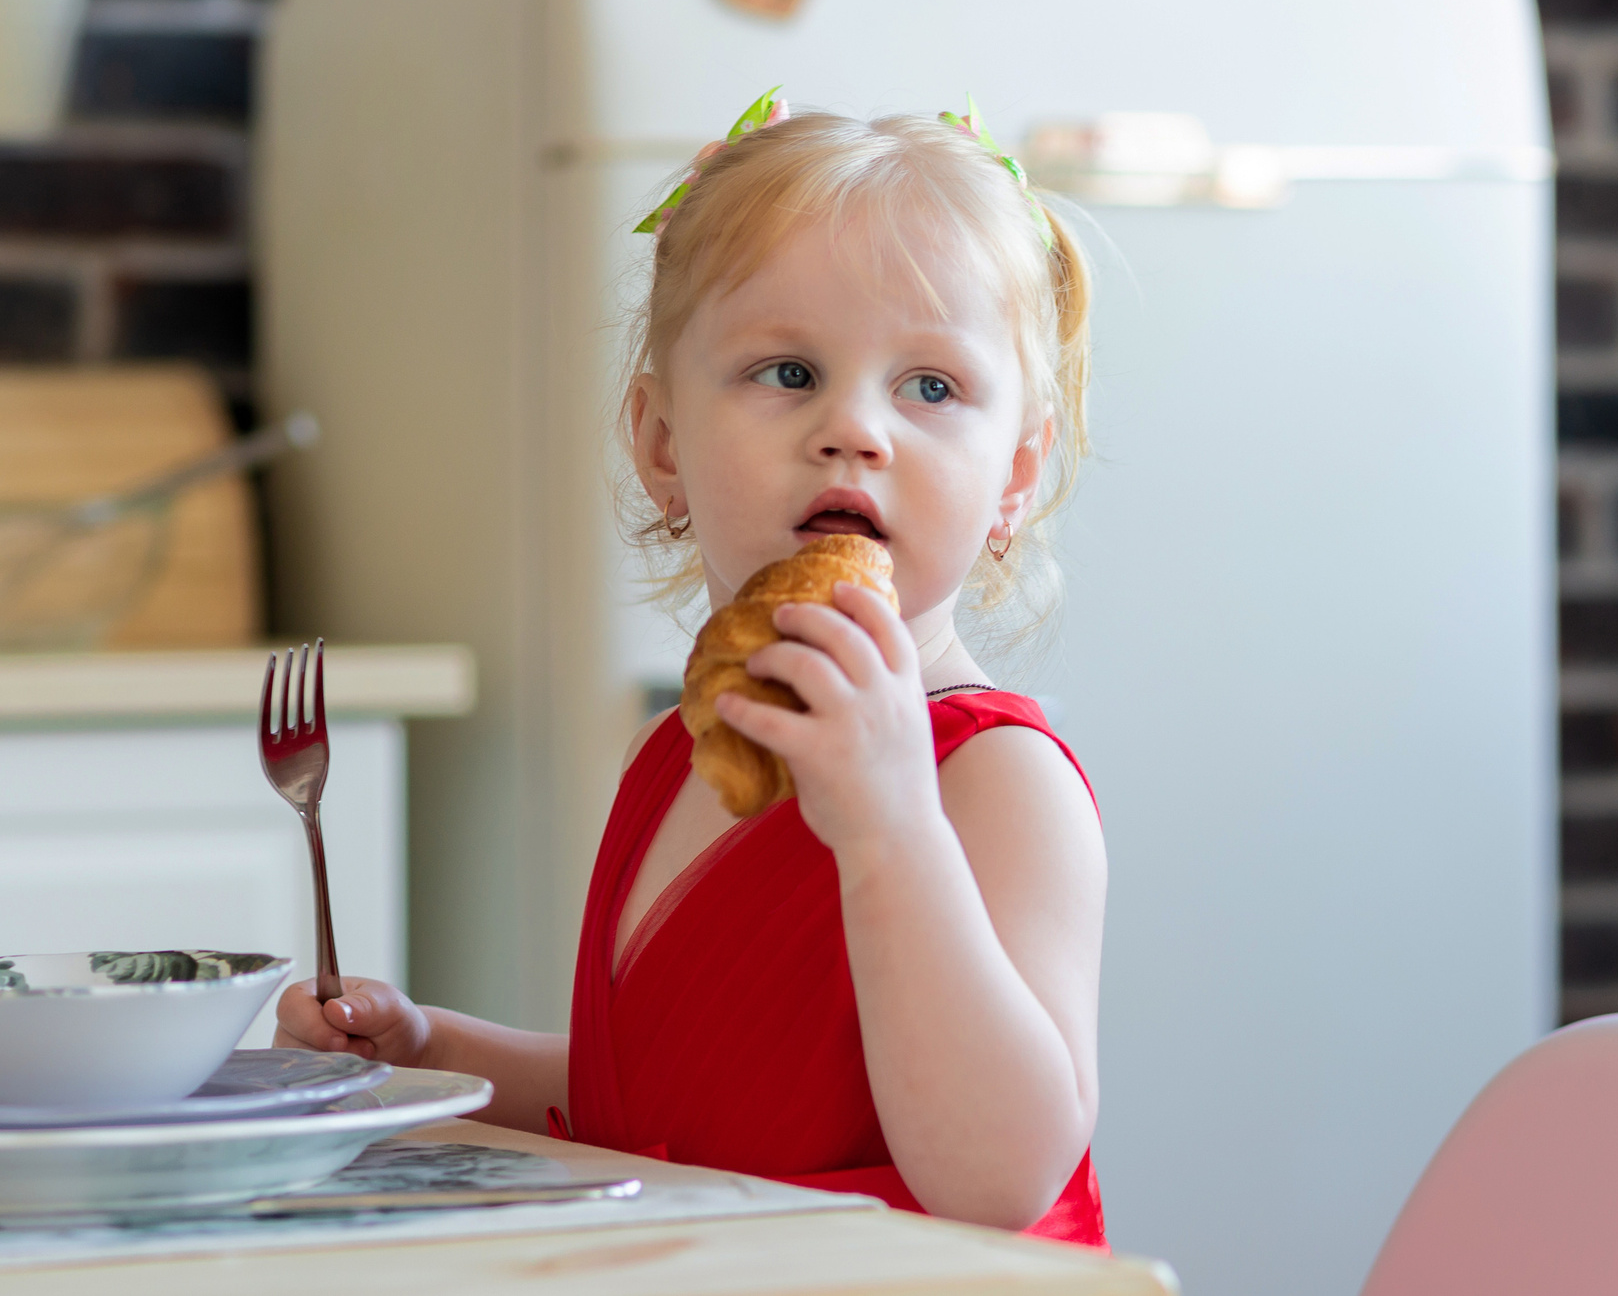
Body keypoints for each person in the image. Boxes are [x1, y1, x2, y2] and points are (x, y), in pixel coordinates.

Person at [276, 93, 1108, 1244]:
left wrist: (887, 825)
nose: (853, 428)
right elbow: (668, 1103)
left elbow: (1002, 1175)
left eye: (930, 386)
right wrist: (432, 1050)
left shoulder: (993, 777)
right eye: (785, 371)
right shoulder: (675, 753)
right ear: (662, 444)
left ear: (1014, 475)